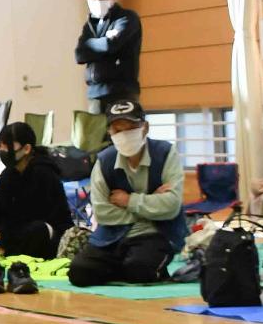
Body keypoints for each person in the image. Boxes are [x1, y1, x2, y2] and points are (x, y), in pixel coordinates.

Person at [67, 98, 186, 287]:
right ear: (109, 132)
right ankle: (126, 268)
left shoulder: (165, 153)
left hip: (153, 234)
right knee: (79, 272)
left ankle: (133, 268)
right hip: (111, 236)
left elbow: (172, 205)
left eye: (130, 128)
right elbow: (102, 212)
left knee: (139, 268)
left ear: (145, 127)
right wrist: (152, 203)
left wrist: (129, 200)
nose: (124, 135)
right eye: (117, 130)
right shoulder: (105, 160)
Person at [0, 121, 72, 294]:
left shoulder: (44, 173)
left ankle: (17, 267)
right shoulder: (7, 176)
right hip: (19, 229)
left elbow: (46, 215)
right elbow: (6, 212)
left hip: (48, 230)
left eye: (8, 146)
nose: (3, 151)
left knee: (36, 230)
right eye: (1, 146)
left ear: (26, 148)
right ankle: (1, 259)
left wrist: (9, 234)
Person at [74, 0, 142, 150]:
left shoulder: (127, 18)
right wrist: (99, 44)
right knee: (96, 145)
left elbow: (111, 45)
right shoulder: (90, 25)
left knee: (123, 141)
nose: (98, 0)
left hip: (121, 92)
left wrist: (93, 46)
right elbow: (79, 54)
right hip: (95, 95)